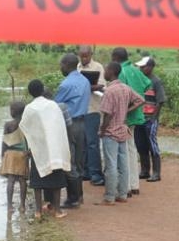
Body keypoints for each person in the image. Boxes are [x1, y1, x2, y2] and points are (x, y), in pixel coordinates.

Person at [19, 80, 71, 219]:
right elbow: (60, 126)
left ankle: (38, 211)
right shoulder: (53, 105)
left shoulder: (30, 108)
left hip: (39, 149)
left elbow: (25, 128)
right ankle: (57, 210)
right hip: (54, 148)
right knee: (56, 180)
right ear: (43, 90)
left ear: (30, 93)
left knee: (37, 181)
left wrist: (29, 147)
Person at [98, 62, 145, 205]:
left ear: (111, 71)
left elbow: (107, 114)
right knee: (123, 164)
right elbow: (140, 100)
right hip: (123, 130)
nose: (104, 72)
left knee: (111, 165)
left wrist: (102, 130)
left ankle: (110, 197)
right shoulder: (125, 88)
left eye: (106, 70)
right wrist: (126, 110)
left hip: (111, 132)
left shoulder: (109, 91)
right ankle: (123, 194)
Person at [111, 47, 151, 196]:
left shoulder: (121, 72)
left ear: (115, 58)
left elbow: (121, 93)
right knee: (131, 148)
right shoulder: (135, 70)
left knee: (123, 150)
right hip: (136, 115)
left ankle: (126, 186)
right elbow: (147, 83)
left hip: (125, 116)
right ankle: (134, 184)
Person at [54, 53, 91, 209]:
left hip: (69, 125)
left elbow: (55, 106)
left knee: (69, 161)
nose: (60, 67)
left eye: (61, 64)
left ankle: (73, 198)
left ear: (67, 64)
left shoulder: (66, 84)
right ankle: (79, 196)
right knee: (79, 161)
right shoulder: (85, 81)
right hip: (82, 123)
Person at [77, 45, 107, 186]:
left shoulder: (98, 67)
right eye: (81, 56)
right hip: (80, 110)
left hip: (93, 109)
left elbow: (101, 86)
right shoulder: (77, 67)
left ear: (91, 54)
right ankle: (86, 172)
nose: (84, 58)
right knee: (82, 143)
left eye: (86, 56)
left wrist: (84, 86)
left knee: (93, 143)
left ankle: (96, 174)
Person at [135, 57, 166, 181]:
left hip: (150, 119)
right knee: (141, 145)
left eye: (144, 66)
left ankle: (156, 173)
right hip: (139, 118)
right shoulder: (139, 80)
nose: (141, 69)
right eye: (140, 67)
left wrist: (154, 118)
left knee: (152, 145)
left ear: (151, 67)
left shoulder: (156, 81)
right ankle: (144, 170)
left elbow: (160, 101)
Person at [0, 101, 29, 214]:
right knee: (22, 180)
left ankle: (9, 206)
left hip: (11, 154)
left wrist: (3, 155)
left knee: (11, 181)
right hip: (23, 154)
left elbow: (5, 142)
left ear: (12, 112)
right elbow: (29, 140)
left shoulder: (8, 125)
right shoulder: (26, 124)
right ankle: (22, 205)